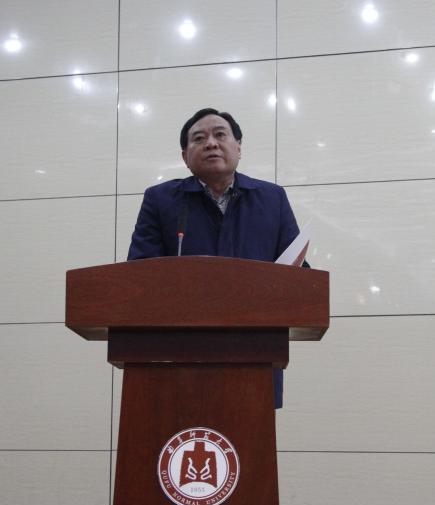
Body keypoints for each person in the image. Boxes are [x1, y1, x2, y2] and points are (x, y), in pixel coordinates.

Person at [127, 107, 304, 408]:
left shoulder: (272, 199)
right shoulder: (161, 200)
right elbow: (137, 277)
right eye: (199, 138)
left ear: (238, 147)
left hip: (254, 358)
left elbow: (296, 272)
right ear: (185, 156)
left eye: (220, 135)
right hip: (178, 359)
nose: (211, 143)